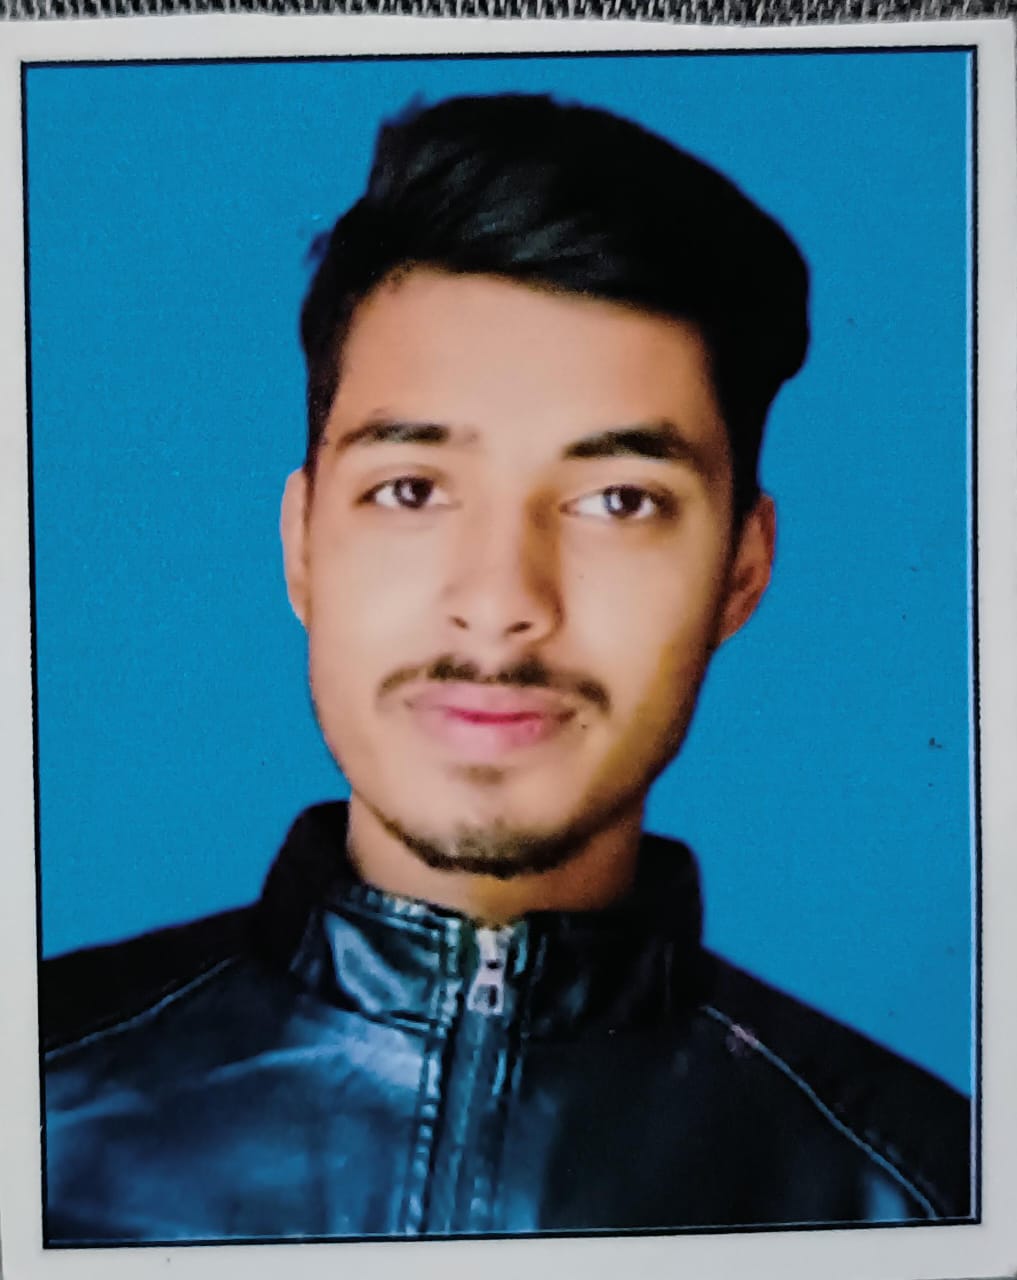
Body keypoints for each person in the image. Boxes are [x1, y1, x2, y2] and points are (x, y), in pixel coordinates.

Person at [41, 92, 970, 1245]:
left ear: (743, 566)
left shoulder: (930, 1197)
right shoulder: (37, 1110)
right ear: (302, 543)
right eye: (412, 488)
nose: (501, 601)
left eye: (618, 500)